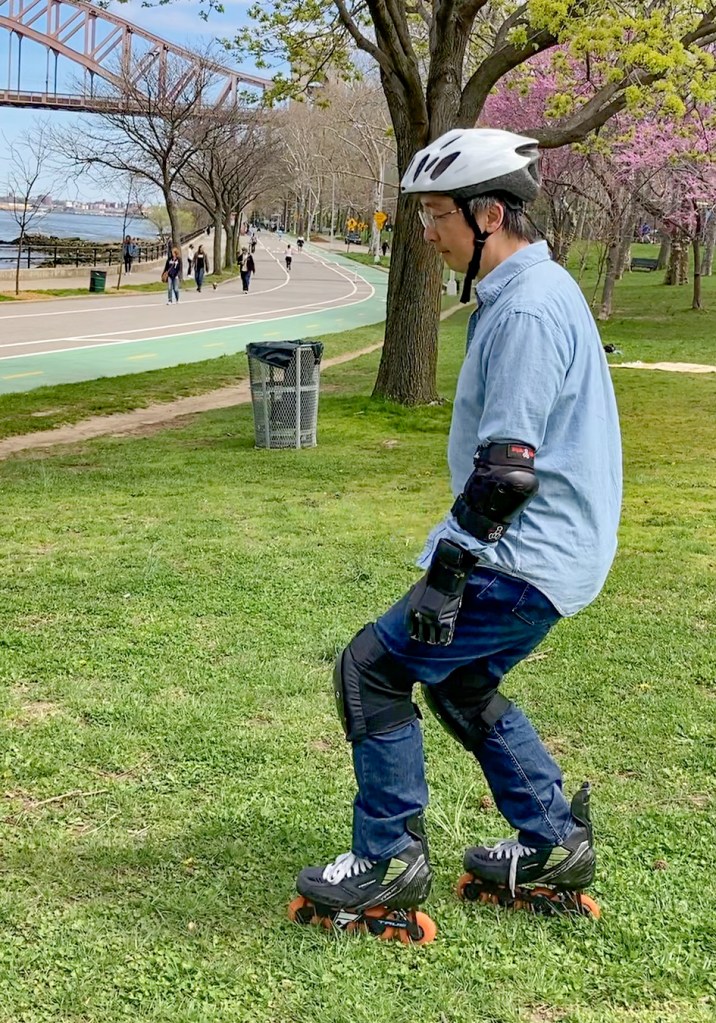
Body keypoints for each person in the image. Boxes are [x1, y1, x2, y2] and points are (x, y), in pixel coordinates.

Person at [292, 128, 622, 938]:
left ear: (488, 214)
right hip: (558, 553)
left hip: (522, 555)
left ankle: (388, 860)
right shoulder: (532, 292)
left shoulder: (527, 312)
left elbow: (505, 472)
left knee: (370, 670)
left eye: (435, 216)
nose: (427, 233)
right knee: (460, 682)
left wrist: (447, 572)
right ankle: (553, 843)